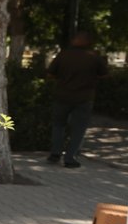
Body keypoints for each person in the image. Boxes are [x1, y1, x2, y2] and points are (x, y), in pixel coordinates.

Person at [46, 30, 108, 168]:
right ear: (88, 41)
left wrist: (62, 79)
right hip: (84, 98)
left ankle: (55, 153)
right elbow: (104, 74)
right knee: (78, 129)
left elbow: (50, 74)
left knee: (58, 126)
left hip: (62, 95)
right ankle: (70, 157)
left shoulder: (63, 55)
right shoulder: (94, 57)